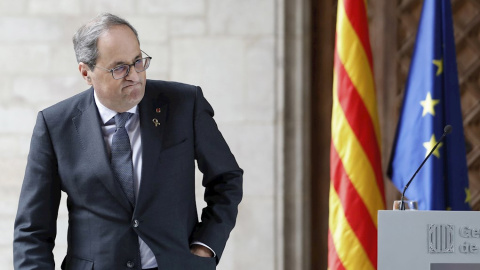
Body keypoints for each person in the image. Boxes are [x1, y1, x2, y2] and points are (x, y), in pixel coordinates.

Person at [13, 13, 243, 270]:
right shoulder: (55, 125)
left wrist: (205, 246)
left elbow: (227, 179)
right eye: (119, 68)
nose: (134, 75)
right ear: (86, 73)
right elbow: (32, 232)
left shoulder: (184, 104)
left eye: (138, 61)